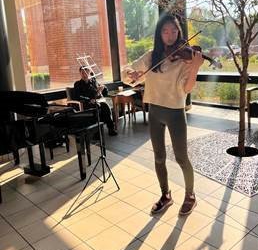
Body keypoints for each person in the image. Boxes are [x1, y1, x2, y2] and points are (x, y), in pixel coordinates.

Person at [122, 14, 204, 216]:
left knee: (182, 157)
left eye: (174, 31)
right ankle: (165, 195)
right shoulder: (152, 56)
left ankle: (190, 196)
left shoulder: (186, 58)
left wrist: (194, 67)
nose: (170, 35)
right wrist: (130, 74)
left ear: (179, 33)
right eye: (166, 31)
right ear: (160, 34)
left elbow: (187, 89)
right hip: (155, 111)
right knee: (159, 157)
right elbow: (128, 71)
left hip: (175, 112)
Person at [74, 67, 118, 136]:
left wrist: (103, 88)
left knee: (104, 105)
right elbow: (77, 96)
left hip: (97, 102)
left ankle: (110, 128)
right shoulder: (77, 84)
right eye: (82, 73)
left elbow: (104, 92)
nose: (84, 74)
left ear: (89, 73)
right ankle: (96, 132)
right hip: (86, 103)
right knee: (99, 106)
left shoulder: (93, 81)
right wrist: (88, 100)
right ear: (80, 73)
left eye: (86, 72)